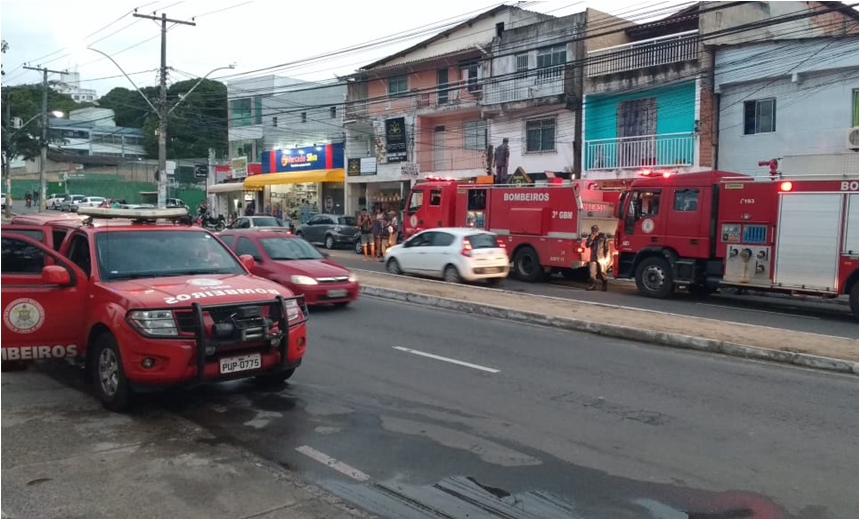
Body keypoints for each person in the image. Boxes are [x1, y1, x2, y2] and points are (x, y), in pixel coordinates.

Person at [585, 225, 610, 291]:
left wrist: (607, 257)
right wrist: (591, 238)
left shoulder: (603, 237)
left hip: (601, 257)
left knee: (602, 272)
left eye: (596, 231)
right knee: (592, 273)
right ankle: (592, 285)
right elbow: (587, 245)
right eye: (594, 231)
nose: (595, 232)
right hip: (593, 257)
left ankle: (604, 285)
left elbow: (606, 248)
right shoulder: (590, 237)